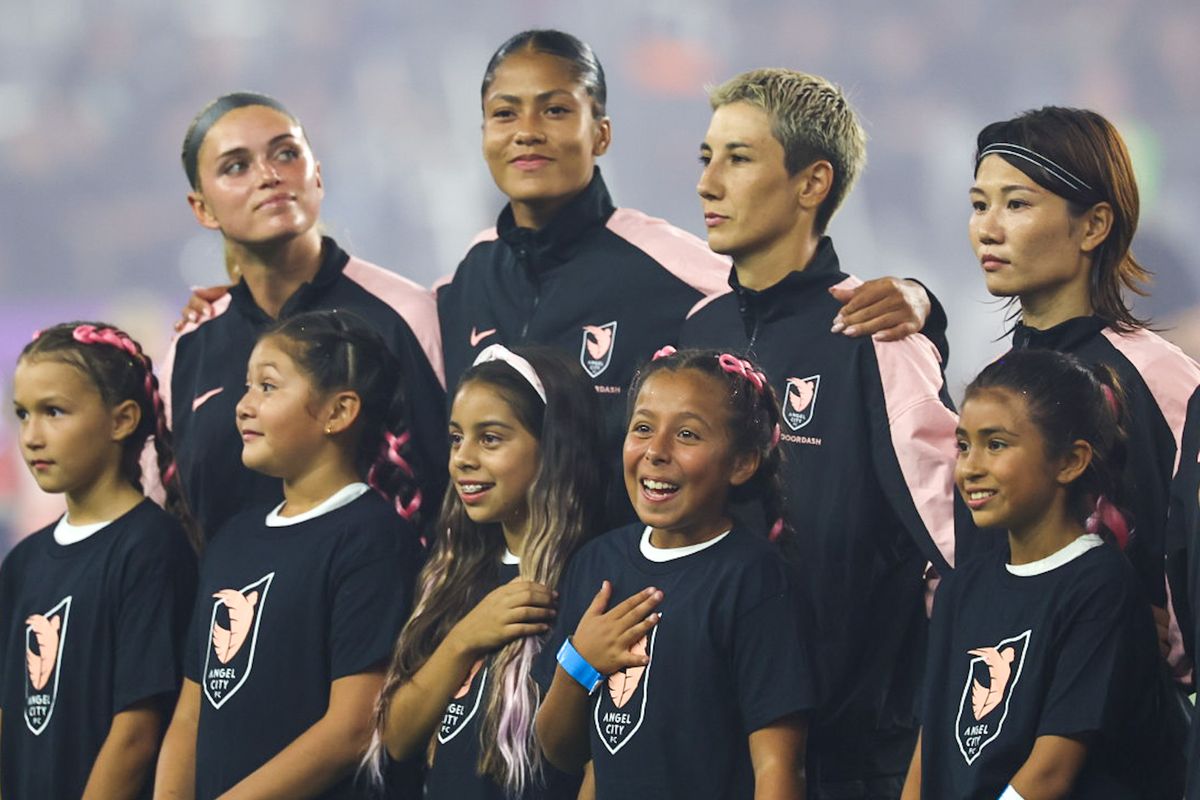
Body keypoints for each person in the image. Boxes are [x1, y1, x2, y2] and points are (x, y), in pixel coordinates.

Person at [435, 29, 940, 524]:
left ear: (602, 133)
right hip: (512, 591)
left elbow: (781, 299)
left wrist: (921, 306)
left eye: (556, 109)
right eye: (504, 113)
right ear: (481, 132)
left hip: (632, 590)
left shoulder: (676, 271)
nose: (526, 130)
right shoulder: (469, 275)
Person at [679, 68, 962, 799]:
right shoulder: (697, 334)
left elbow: (966, 548)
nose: (708, 183)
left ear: (812, 184)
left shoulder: (877, 338)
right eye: (706, 157)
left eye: (738, 158)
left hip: (847, 761)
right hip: (703, 748)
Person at [970, 107, 1200, 679]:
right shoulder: (990, 384)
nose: (988, 228)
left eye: (1017, 204)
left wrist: (1174, 637)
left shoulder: (1164, 378)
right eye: (979, 204)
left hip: (1128, 736)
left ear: (1094, 225)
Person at [154, 311, 423, 799]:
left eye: (268, 387)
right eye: (247, 385)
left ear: (339, 412)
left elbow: (351, 729)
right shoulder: (232, 540)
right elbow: (192, 712)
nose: (242, 406)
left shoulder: (372, 540)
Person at [535, 347, 815, 799]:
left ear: (742, 462)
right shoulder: (595, 563)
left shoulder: (754, 580)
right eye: (643, 428)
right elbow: (562, 751)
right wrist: (578, 663)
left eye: (686, 434)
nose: (656, 452)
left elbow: (778, 768)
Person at [164, 92, 445, 540]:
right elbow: (180, 517)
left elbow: (455, 496)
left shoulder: (405, 314)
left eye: (286, 154)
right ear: (202, 208)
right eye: (237, 166)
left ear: (317, 174)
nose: (269, 176)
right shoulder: (190, 346)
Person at [903, 349, 1181, 798]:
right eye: (963, 445)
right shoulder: (961, 589)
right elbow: (929, 742)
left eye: (996, 444)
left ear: (1070, 461)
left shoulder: (1099, 585)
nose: (971, 467)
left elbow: (1051, 770)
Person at [369, 345, 605, 799]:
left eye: (490, 438)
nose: (463, 458)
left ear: (554, 447)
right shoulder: (454, 570)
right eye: (457, 438)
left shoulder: (592, 578)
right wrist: (466, 636)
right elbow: (398, 739)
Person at [2, 322, 198, 799]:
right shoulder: (24, 560)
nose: (32, 436)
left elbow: (136, 733)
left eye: (54, 412)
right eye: (22, 414)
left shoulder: (150, 549)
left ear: (122, 420)